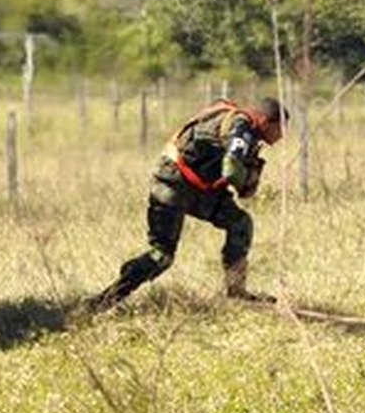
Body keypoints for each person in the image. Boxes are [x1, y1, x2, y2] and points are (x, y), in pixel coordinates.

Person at [89, 96, 288, 312]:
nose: (282, 136)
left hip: (198, 189)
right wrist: (245, 182)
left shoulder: (239, 124)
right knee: (161, 256)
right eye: (280, 129)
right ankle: (104, 301)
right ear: (264, 120)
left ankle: (236, 292)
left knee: (240, 223)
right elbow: (231, 168)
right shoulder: (242, 128)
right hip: (173, 186)